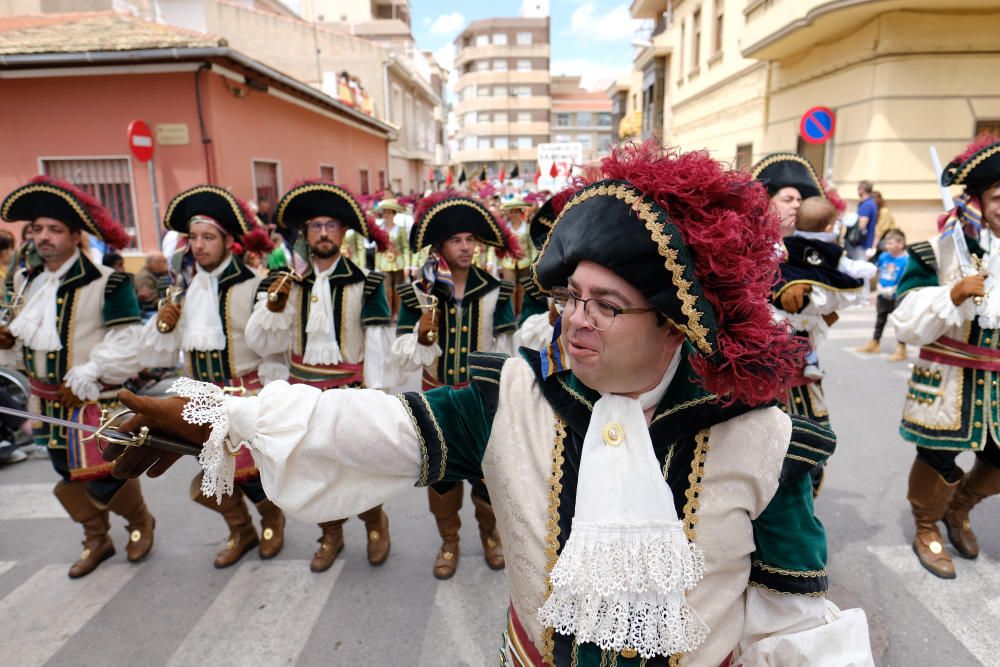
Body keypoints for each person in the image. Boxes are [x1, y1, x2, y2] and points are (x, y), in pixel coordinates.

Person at [107, 142, 874, 666]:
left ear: (679, 322)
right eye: (572, 294)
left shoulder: (763, 438)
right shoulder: (515, 398)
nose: (575, 318)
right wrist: (220, 413)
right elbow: (367, 424)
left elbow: (794, 621)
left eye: (607, 305)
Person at [0, 176, 154, 578]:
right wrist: (6, 341)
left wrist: (88, 373)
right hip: (44, 399)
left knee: (107, 475)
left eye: (54, 229)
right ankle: (96, 538)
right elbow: (24, 342)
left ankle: (140, 522)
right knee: (65, 473)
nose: (43, 237)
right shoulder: (23, 281)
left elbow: (127, 345)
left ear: (75, 235)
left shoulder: (109, 281)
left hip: (92, 401)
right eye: (36, 230)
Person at [245, 180, 399, 572]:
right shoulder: (287, 284)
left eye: (332, 225)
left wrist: (379, 399)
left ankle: (374, 523)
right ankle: (331, 534)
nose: (325, 232)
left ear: (344, 233)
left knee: (358, 466)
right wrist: (275, 308)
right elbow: (265, 344)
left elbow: (378, 348)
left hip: (349, 392)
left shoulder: (369, 283)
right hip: (303, 392)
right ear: (306, 234)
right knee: (314, 470)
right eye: (316, 226)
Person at [138, 185, 285, 569]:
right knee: (213, 473)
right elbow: (160, 353)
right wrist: (164, 326)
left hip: (243, 394)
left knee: (251, 474)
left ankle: (271, 521)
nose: (199, 246)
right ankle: (240, 530)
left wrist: (271, 396)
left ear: (228, 241)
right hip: (200, 399)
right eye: (194, 238)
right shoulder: (183, 292)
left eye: (208, 237)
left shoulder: (256, 284)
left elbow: (272, 349)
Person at [890, 134, 1000, 579]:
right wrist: (951, 293)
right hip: (948, 377)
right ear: (978, 200)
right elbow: (904, 318)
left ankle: (959, 510)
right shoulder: (935, 251)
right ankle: (925, 527)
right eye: (998, 196)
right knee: (939, 457)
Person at [393, 192, 519, 579]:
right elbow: (402, 355)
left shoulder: (495, 289)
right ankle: (449, 541)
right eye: (456, 240)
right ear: (439, 247)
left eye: (470, 240)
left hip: (482, 398)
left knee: (487, 473)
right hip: (436, 397)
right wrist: (422, 336)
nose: (465, 248)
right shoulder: (419, 291)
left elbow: (507, 348)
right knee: (442, 474)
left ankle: (491, 535)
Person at [778, 196, 872, 380]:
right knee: (800, 337)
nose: (795, 204)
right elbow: (850, 267)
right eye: (788, 199)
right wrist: (868, 268)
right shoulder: (831, 250)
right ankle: (810, 362)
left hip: (795, 314)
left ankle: (810, 361)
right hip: (788, 312)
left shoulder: (788, 244)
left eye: (798, 199)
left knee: (800, 335)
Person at [858, 229, 909, 360]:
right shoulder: (883, 257)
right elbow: (878, 271)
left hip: (897, 295)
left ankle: (901, 348)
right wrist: (878, 287)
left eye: (890, 243)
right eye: (887, 243)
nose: (887, 246)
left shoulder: (906, 260)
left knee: (899, 322)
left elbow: (906, 277)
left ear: (901, 244)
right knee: (880, 319)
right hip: (883, 293)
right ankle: (875, 342)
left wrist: (895, 288)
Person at [373, 198, 410, 318]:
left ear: (394, 214)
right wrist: (377, 266)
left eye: (389, 213)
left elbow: (405, 248)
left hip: (398, 263)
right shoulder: (379, 230)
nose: (386, 215)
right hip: (384, 263)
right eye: (384, 213)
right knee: (386, 289)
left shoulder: (401, 229)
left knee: (398, 289)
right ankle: (388, 313)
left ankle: (399, 314)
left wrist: (407, 265)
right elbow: (378, 249)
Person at [499, 198, 536, 316]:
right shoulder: (505, 228)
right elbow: (498, 247)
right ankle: (511, 314)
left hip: (524, 263)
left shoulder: (528, 227)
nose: (514, 214)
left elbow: (532, 247)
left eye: (516, 212)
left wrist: (534, 261)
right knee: (510, 289)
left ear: (521, 213)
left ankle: (520, 314)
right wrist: (491, 262)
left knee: (522, 289)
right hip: (508, 263)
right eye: (512, 212)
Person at [848, 180, 879, 260]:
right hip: (864, 243)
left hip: (861, 244)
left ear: (862, 189)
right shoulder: (870, 203)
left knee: (858, 268)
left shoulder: (867, 205)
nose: (858, 191)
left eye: (858, 188)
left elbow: (862, 225)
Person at [134, 252, 170, 319]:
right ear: (152, 264)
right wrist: (171, 303)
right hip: (149, 314)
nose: (166, 264)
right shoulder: (145, 278)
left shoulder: (153, 274)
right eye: (164, 261)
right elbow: (151, 300)